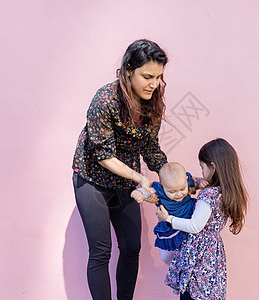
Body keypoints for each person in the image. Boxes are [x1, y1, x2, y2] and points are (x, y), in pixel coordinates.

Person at [72, 39, 169, 300]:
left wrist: (171, 176)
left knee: (131, 247)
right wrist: (139, 177)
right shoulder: (105, 100)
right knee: (101, 251)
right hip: (93, 179)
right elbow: (104, 156)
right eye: (147, 76)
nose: (154, 84)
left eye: (159, 77)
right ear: (128, 70)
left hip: (124, 182)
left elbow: (151, 148)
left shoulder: (153, 101)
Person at [156, 138, 249, 300]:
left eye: (202, 167)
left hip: (198, 253)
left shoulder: (209, 195)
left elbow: (194, 226)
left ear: (212, 166)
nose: (201, 171)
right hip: (213, 252)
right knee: (208, 292)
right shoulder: (225, 193)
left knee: (192, 292)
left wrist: (168, 218)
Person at [130, 162, 198, 265]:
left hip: (187, 219)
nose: (179, 194)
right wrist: (140, 193)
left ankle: (184, 266)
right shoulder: (159, 190)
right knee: (165, 256)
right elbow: (149, 192)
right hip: (169, 227)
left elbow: (196, 182)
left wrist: (201, 182)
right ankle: (174, 267)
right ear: (162, 186)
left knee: (189, 252)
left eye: (182, 189)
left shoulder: (186, 181)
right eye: (172, 191)